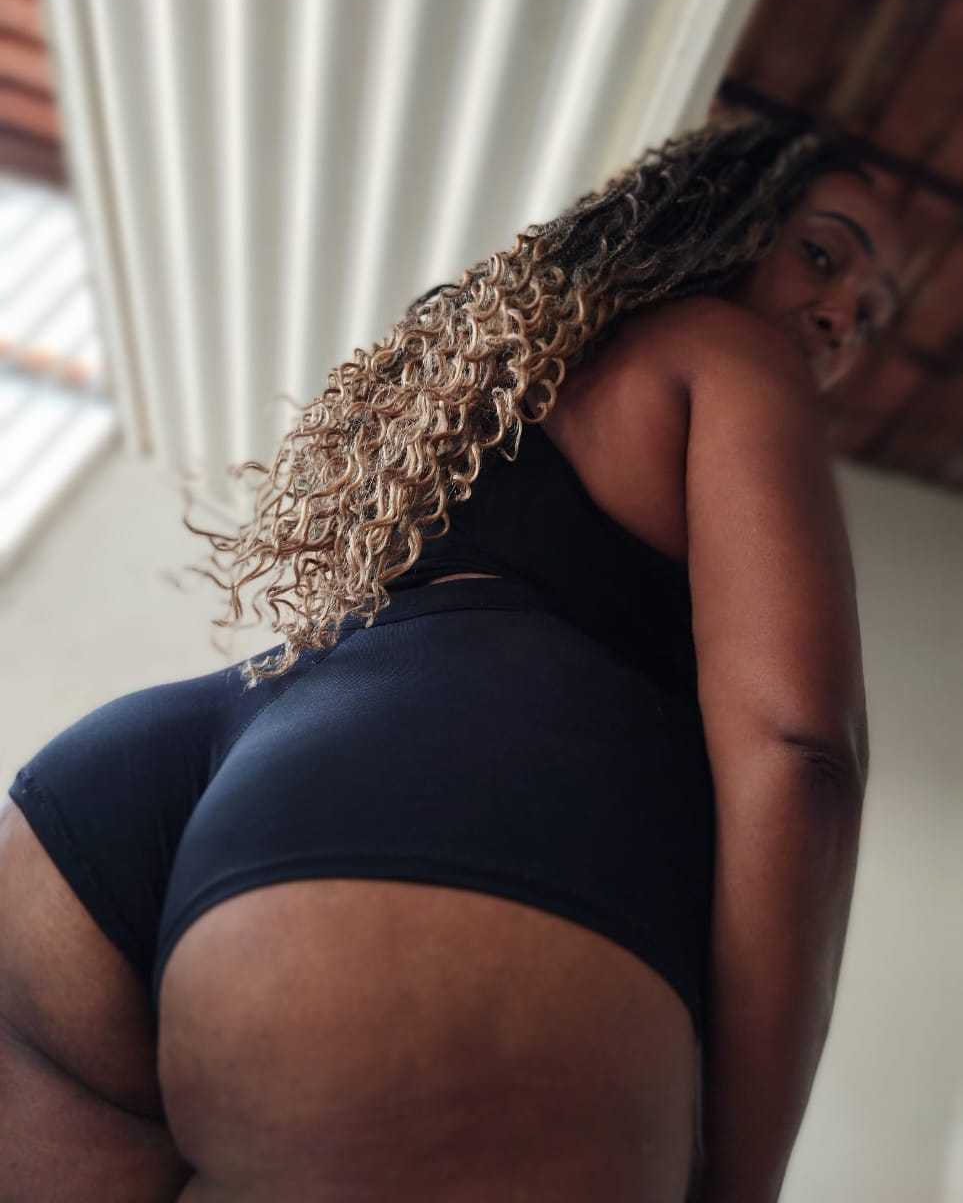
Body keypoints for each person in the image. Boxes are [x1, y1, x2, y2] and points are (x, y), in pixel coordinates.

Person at [0, 113, 905, 1202]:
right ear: (730, 213)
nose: (842, 316)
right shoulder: (730, 354)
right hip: (418, 842)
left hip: (110, 814)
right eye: (824, 254)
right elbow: (801, 753)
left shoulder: (500, 371)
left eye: (872, 314)